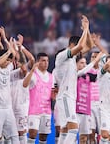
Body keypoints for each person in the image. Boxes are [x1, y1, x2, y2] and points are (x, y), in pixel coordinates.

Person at [54, 15, 93, 144]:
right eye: (76, 46)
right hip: (65, 96)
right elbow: (81, 46)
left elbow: (89, 45)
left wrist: (86, 30)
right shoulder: (62, 55)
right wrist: (85, 29)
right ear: (71, 45)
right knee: (74, 129)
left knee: (65, 129)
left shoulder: (72, 59)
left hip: (70, 96)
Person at [0, 39, 25, 144]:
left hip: (8, 109)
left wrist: (9, 44)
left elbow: (18, 60)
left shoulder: (8, 69)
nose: (9, 62)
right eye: (6, 60)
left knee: (14, 137)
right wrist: (7, 50)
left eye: (9, 61)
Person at [23, 52, 55, 144]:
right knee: (32, 134)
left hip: (46, 111)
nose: (46, 63)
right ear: (38, 62)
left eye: (47, 61)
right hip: (34, 111)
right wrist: (32, 70)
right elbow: (25, 84)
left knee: (43, 137)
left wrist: (55, 95)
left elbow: (53, 95)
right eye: (43, 61)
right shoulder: (33, 74)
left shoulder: (51, 76)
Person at [75, 52, 103, 144]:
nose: (84, 65)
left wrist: (99, 60)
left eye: (85, 63)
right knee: (72, 134)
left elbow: (102, 72)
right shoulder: (73, 74)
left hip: (86, 109)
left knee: (85, 136)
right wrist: (95, 60)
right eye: (81, 63)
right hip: (75, 109)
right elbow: (82, 71)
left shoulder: (89, 76)